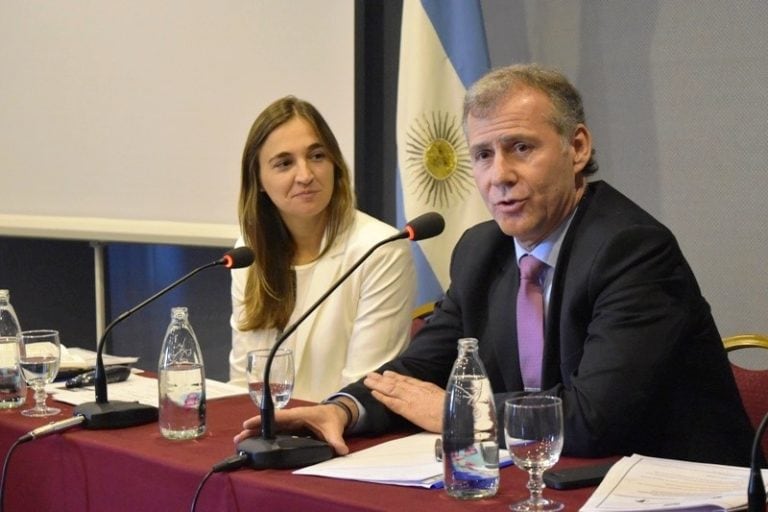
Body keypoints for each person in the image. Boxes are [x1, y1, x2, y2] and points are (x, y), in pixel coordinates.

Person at [235, 66, 756, 466]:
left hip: (676, 488)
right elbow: (416, 372)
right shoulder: (481, 250)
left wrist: (456, 410)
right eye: (482, 155)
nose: (498, 175)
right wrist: (342, 410)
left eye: (520, 148)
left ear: (577, 147)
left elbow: (595, 419)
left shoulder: (632, 250)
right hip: (547, 479)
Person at [228, 95, 417, 403]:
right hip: (266, 434)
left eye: (317, 156)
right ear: (259, 180)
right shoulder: (248, 253)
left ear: (335, 164)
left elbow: (362, 388)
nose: (305, 175)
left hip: (346, 436)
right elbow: (243, 381)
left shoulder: (379, 250)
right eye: (285, 163)